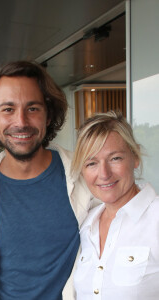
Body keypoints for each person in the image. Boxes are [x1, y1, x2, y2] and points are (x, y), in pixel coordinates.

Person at [0, 61, 93, 300]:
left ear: (48, 114)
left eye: (32, 108)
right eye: (8, 109)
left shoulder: (85, 175)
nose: (21, 121)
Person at [71, 111, 159, 299]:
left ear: (135, 157)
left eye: (115, 158)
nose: (104, 173)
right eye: (91, 163)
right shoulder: (87, 224)